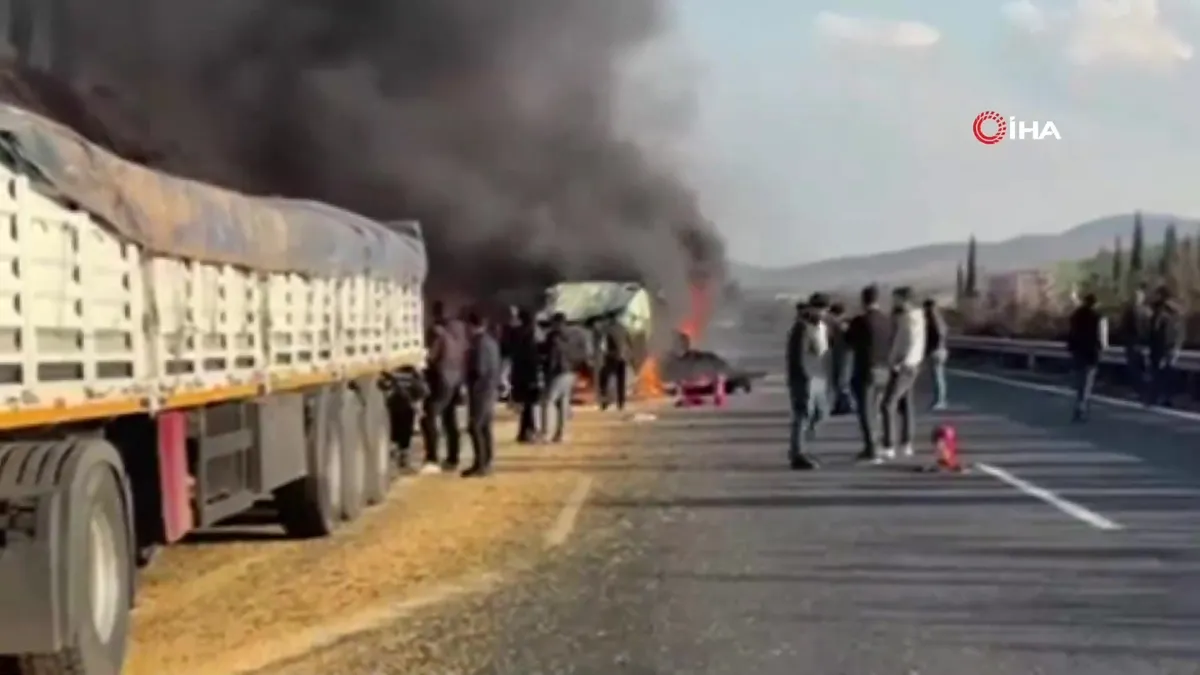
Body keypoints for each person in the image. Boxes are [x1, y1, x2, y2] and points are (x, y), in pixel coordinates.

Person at [845, 284, 892, 463]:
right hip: (884, 369)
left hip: (866, 369)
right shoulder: (887, 320)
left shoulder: (860, 321)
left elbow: (849, 341)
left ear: (863, 301)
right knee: (876, 410)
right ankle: (879, 444)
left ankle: (871, 448)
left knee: (866, 411)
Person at [419, 301, 466, 474]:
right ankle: (453, 457)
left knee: (429, 417)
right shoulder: (459, 330)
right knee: (450, 420)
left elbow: (432, 356)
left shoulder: (437, 332)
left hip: (440, 378)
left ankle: (432, 458)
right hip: (456, 379)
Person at [785, 294, 830, 470]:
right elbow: (798, 356)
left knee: (820, 412)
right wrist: (804, 376)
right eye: (820, 309)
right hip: (806, 377)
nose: (823, 313)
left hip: (818, 374)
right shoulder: (802, 328)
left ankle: (802, 445)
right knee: (802, 414)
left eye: (824, 310)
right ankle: (798, 452)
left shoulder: (819, 327)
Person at [880, 286, 925, 459]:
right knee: (905, 404)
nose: (894, 302)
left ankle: (889, 444)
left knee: (887, 404)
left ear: (905, 300)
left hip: (904, 367)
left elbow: (912, 343)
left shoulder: (911, 318)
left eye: (896, 299)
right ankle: (906, 443)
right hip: (908, 365)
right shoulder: (907, 316)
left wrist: (902, 363)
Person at [463, 310, 502, 477]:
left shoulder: (479, 343)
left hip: (480, 390)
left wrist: (467, 378)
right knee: (485, 426)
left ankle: (480, 464)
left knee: (475, 426)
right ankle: (486, 461)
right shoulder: (491, 341)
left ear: (471, 325)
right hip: (490, 388)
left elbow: (479, 369)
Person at [1067, 292, 1107, 421]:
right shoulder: (1099, 317)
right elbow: (1102, 337)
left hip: (1078, 351)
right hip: (1091, 353)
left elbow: (1071, 333)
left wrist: (1071, 348)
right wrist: (1103, 350)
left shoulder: (1075, 315)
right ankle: (1082, 406)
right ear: (1095, 304)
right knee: (1088, 381)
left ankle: (1079, 403)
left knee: (1079, 380)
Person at [539, 312, 575, 443]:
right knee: (563, 404)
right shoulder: (571, 336)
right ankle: (561, 434)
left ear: (556, 323)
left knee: (547, 402)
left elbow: (552, 357)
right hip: (570, 372)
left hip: (557, 373)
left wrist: (546, 372)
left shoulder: (553, 337)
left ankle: (546, 433)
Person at [509, 308, 543, 442]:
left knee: (526, 406)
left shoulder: (515, 334)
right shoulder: (529, 336)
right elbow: (532, 357)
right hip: (529, 375)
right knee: (529, 406)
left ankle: (525, 431)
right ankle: (528, 431)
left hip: (518, 373)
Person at [1146, 285, 1184, 407]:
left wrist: (1174, 347)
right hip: (1161, 346)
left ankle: (1159, 397)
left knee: (1161, 373)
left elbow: (1170, 331)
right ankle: (1158, 397)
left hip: (1164, 347)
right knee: (1161, 373)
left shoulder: (1166, 312)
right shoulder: (1159, 310)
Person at [1118, 284, 1149, 398]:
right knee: (1135, 368)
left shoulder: (1145, 311)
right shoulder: (1132, 311)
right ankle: (1138, 390)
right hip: (1133, 343)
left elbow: (1149, 328)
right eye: (1136, 296)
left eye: (1139, 296)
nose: (1137, 298)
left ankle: (1141, 390)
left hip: (1138, 343)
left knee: (1139, 368)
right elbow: (1124, 327)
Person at [598, 315, 633, 411]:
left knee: (604, 378)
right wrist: (628, 356)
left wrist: (604, 355)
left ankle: (605, 400)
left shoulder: (607, 330)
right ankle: (621, 402)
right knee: (621, 381)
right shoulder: (624, 329)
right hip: (622, 358)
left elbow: (603, 346)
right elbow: (629, 343)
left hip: (611, 357)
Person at [827, 302, 854, 415]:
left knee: (842, 381)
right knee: (837, 380)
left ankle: (846, 405)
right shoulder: (836, 325)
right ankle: (840, 404)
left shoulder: (844, 324)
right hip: (838, 355)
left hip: (845, 356)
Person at [923, 298, 949, 410]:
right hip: (941, 350)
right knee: (938, 376)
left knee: (937, 377)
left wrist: (931, 348)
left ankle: (940, 400)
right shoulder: (940, 320)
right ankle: (940, 399)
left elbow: (936, 336)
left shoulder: (932, 321)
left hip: (936, 351)